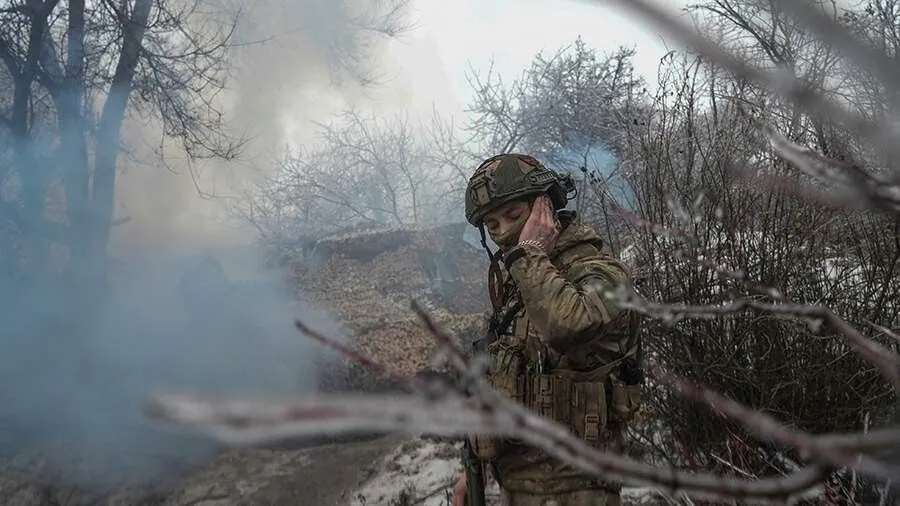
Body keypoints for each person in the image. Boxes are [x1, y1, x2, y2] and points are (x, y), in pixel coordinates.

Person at [451, 153, 643, 506]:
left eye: (513, 216)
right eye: (492, 225)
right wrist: (476, 464)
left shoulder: (597, 271)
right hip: (520, 483)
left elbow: (569, 324)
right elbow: (506, 374)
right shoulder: (522, 280)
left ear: (546, 208)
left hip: (577, 486)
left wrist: (529, 255)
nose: (503, 233)